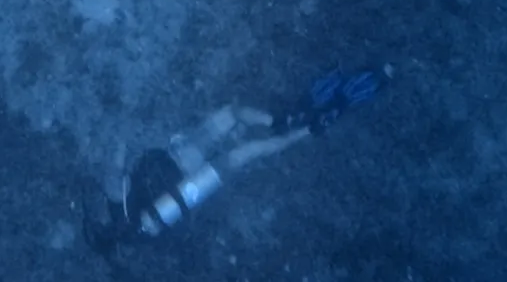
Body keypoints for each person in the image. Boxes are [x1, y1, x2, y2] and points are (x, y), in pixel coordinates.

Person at [87, 64, 383, 251]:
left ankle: (308, 126)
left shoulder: (136, 232)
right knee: (234, 120)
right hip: (182, 160)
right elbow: (119, 159)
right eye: (94, 218)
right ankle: (282, 120)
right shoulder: (117, 202)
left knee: (246, 148)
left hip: (194, 182)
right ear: (102, 224)